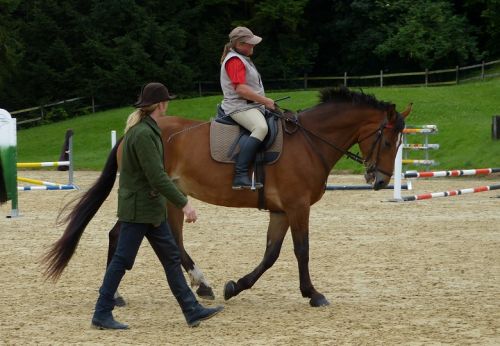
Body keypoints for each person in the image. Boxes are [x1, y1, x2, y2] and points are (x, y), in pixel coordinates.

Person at [91, 82, 223, 330]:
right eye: (167, 101)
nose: (168, 104)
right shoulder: (142, 134)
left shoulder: (146, 130)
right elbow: (157, 175)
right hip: (139, 209)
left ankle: (191, 310)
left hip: (151, 208)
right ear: (160, 104)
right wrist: (184, 204)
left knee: (172, 257)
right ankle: (101, 312)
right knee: (122, 259)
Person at [220, 26, 276, 190]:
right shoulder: (235, 61)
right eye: (249, 44)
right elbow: (241, 90)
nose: (253, 46)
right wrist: (265, 101)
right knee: (260, 128)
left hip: (251, 106)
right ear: (239, 44)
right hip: (239, 106)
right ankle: (240, 174)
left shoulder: (242, 58)